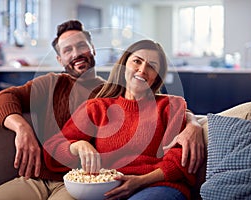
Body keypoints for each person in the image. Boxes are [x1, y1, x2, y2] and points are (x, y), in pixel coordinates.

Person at [0, 20, 203, 199]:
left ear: (93, 50)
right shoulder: (54, 86)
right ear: (60, 59)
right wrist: (23, 129)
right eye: (67, 50)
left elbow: (171, 118)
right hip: (54, 179)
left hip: (96, 185)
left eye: (81, 46)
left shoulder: (114, 93)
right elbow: (4, 99)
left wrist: (193, 123)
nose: (76, 53)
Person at [43, 39, 196, 200]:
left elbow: (179, 161)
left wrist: (139, 181)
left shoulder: (170, 106)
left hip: (158, 187)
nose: (142, 70)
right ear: (124, 65)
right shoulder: (97, 107)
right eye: (137, 61)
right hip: (106, 190)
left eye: (152, 66)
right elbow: (52, 149)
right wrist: (77, 145)